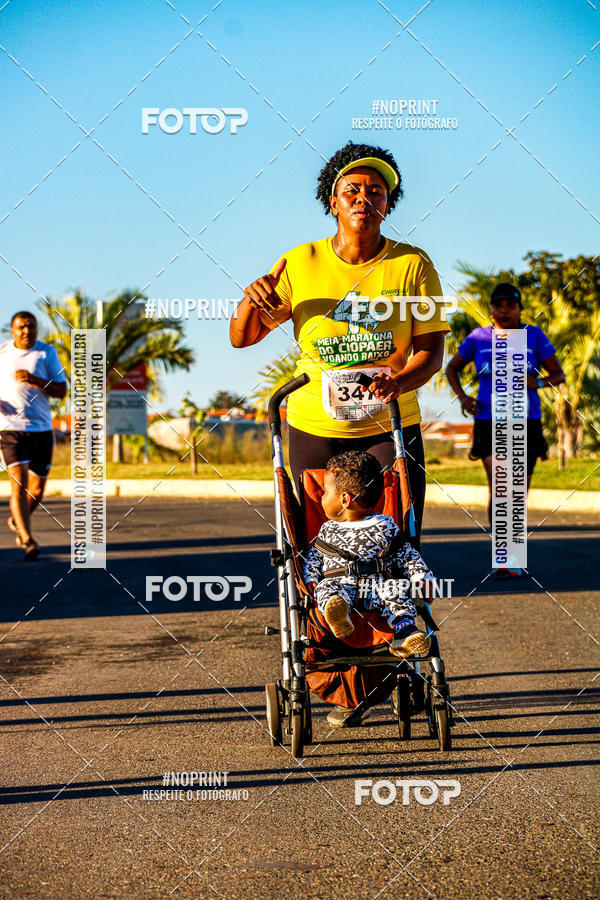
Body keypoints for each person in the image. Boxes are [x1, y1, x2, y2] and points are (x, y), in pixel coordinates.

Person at [230, 140, 449, 544]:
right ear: (333, 202)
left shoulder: (412, 265)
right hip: (315, 423)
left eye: (376, 191)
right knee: (311, 538)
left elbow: (432, 351)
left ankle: (391, 604)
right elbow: (242, 339)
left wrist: (399, 384)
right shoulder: (300, 262)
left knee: (396, 533)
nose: (363, 198)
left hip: (389, 420)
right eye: (352, 190)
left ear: (388, 204)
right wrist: (251, 299)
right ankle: (326, 605)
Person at [445, 282, 565, 574]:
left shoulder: (533, 336)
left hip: (526, 420)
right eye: (499, 305)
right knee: (501, 487)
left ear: (519, 308)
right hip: (489, 419)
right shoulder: (478, 338)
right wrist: (463, 398)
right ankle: (504, 557)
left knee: (517, 491)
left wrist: (537, 382)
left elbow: (558, 375)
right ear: (491, 309)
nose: (505, 310)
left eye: (510, 305)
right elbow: (452, 368)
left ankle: (512, 554)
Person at [303, 450, 434, 655]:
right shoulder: (328, 529)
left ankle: (406, 632)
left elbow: (407, 554)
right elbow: (315, 558)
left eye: (326, 492)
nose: (322, 497)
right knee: (328, 588)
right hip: (343, 586)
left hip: (376, 587)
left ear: (345, 499)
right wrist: (310, 578)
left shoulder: (385, 525)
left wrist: (420, 576)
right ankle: (339, 613)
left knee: (395, 588)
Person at [0, 311, 67, 560]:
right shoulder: (2, 353)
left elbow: (62, 391)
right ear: (12, 330)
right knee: (19, 483)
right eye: (22, 327)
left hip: (40, 428)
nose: (27, 331)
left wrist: (36, 380)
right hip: (9, 428)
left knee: (37, 490)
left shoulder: (46, 353)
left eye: (31, 326)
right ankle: (27, 540)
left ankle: (18, 520)